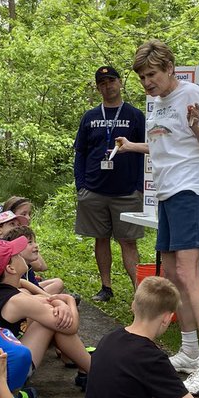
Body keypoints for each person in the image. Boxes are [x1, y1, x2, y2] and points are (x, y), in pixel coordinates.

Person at [115, 40, 199, 393]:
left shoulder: (190, 93)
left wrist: (196, 125)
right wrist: (132, 146)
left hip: (191, 190)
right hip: (166, 193)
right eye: (141, 76)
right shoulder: (156, 103)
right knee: (170, 273)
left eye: (151, 74)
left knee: (187, 272)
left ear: (168, 68)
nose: (146, 82)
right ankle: (191, 350)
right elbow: (165, 144)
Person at [74, 65, 146, 302]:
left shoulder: (135, 116)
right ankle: (106, 287)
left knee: (128, 242)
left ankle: (139, 293)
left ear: (120, 83)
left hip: (126, 192)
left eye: (111, 81)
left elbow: (148, 150)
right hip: (94, 190)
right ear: (98, 88)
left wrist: (138, 186)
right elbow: (81, 153)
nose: (108, 86)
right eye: (102, 83)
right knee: (100, 239)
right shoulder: (90, 116)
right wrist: (81, 185)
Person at [0, 238, 93, 377]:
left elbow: (39, 299)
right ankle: (95, 372)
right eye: (16, 255)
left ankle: (86, 369)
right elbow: (72, 326)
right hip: (8, 371)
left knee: (50, 316)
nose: (21, 254)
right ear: (10, 268)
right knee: (55, 324)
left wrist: (56, 302)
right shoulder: (16, 300)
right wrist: (69, 301)